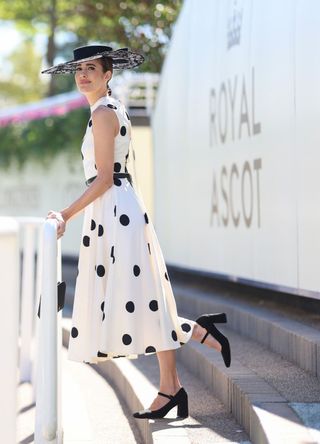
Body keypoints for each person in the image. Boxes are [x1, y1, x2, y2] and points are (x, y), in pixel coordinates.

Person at [41, 44, 231, 420]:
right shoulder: (106, 110)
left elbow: (104, 179)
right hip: (117, 210)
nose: (83, 75)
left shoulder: (102, 114)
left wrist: (64, 214)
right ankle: (174, 379)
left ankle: (181, 363)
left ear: (108, 74)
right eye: (79, 69)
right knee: (144, 297)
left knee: (141, 298)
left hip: (115, 211)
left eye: (91, 69)